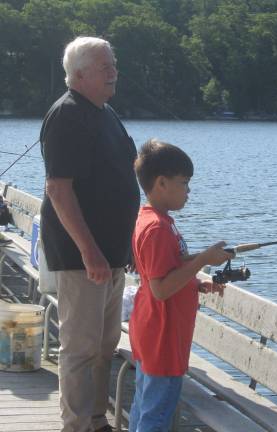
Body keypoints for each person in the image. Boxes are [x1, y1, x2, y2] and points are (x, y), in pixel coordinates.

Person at [40, 36, 140, 432]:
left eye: (113, 63)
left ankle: (97, 420)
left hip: (113, 253)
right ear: (80, 74)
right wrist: (89, 251)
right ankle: (77, 425)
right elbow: (58, 190)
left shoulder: (105, 112)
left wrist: (128, 239)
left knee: (104, 345)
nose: (114, 71)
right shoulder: (67, 115)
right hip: (84, 257)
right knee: (81, 348)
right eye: (105, 66)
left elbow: (121, 180)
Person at [128, 139, 233, 432]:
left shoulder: (154, 219)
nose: (189, 191)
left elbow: (167, 269)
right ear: (161, 183)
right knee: (156, 417)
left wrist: (197, 281)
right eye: (184, 183)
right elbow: (160, 288)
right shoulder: (158, 228)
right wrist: (202, 261)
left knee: (144, 406)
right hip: (163, 338)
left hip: (153, 332)